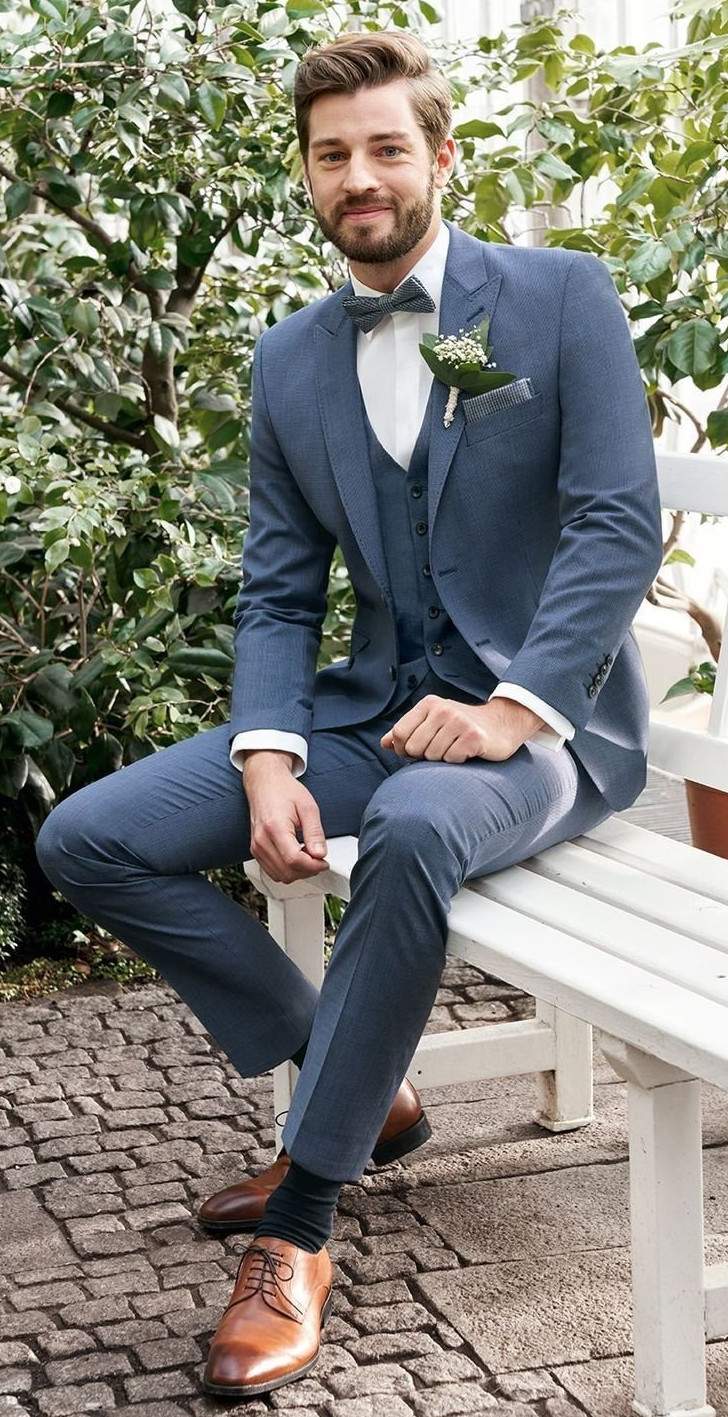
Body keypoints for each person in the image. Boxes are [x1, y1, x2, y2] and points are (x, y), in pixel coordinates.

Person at [34, 27, 664, 1402]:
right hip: (372, 708)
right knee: (89, 837)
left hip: (545, 733)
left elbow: (619, 526)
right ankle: (361, 1083)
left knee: (426, 822)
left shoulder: (559, 297)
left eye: (387, 148)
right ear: (309, 175)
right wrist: (269, 755)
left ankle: (300, 1225)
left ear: (442, 155)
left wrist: (512, 708)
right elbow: (278, 590)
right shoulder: (291, 360)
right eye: (333, 155)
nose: (361, 176)